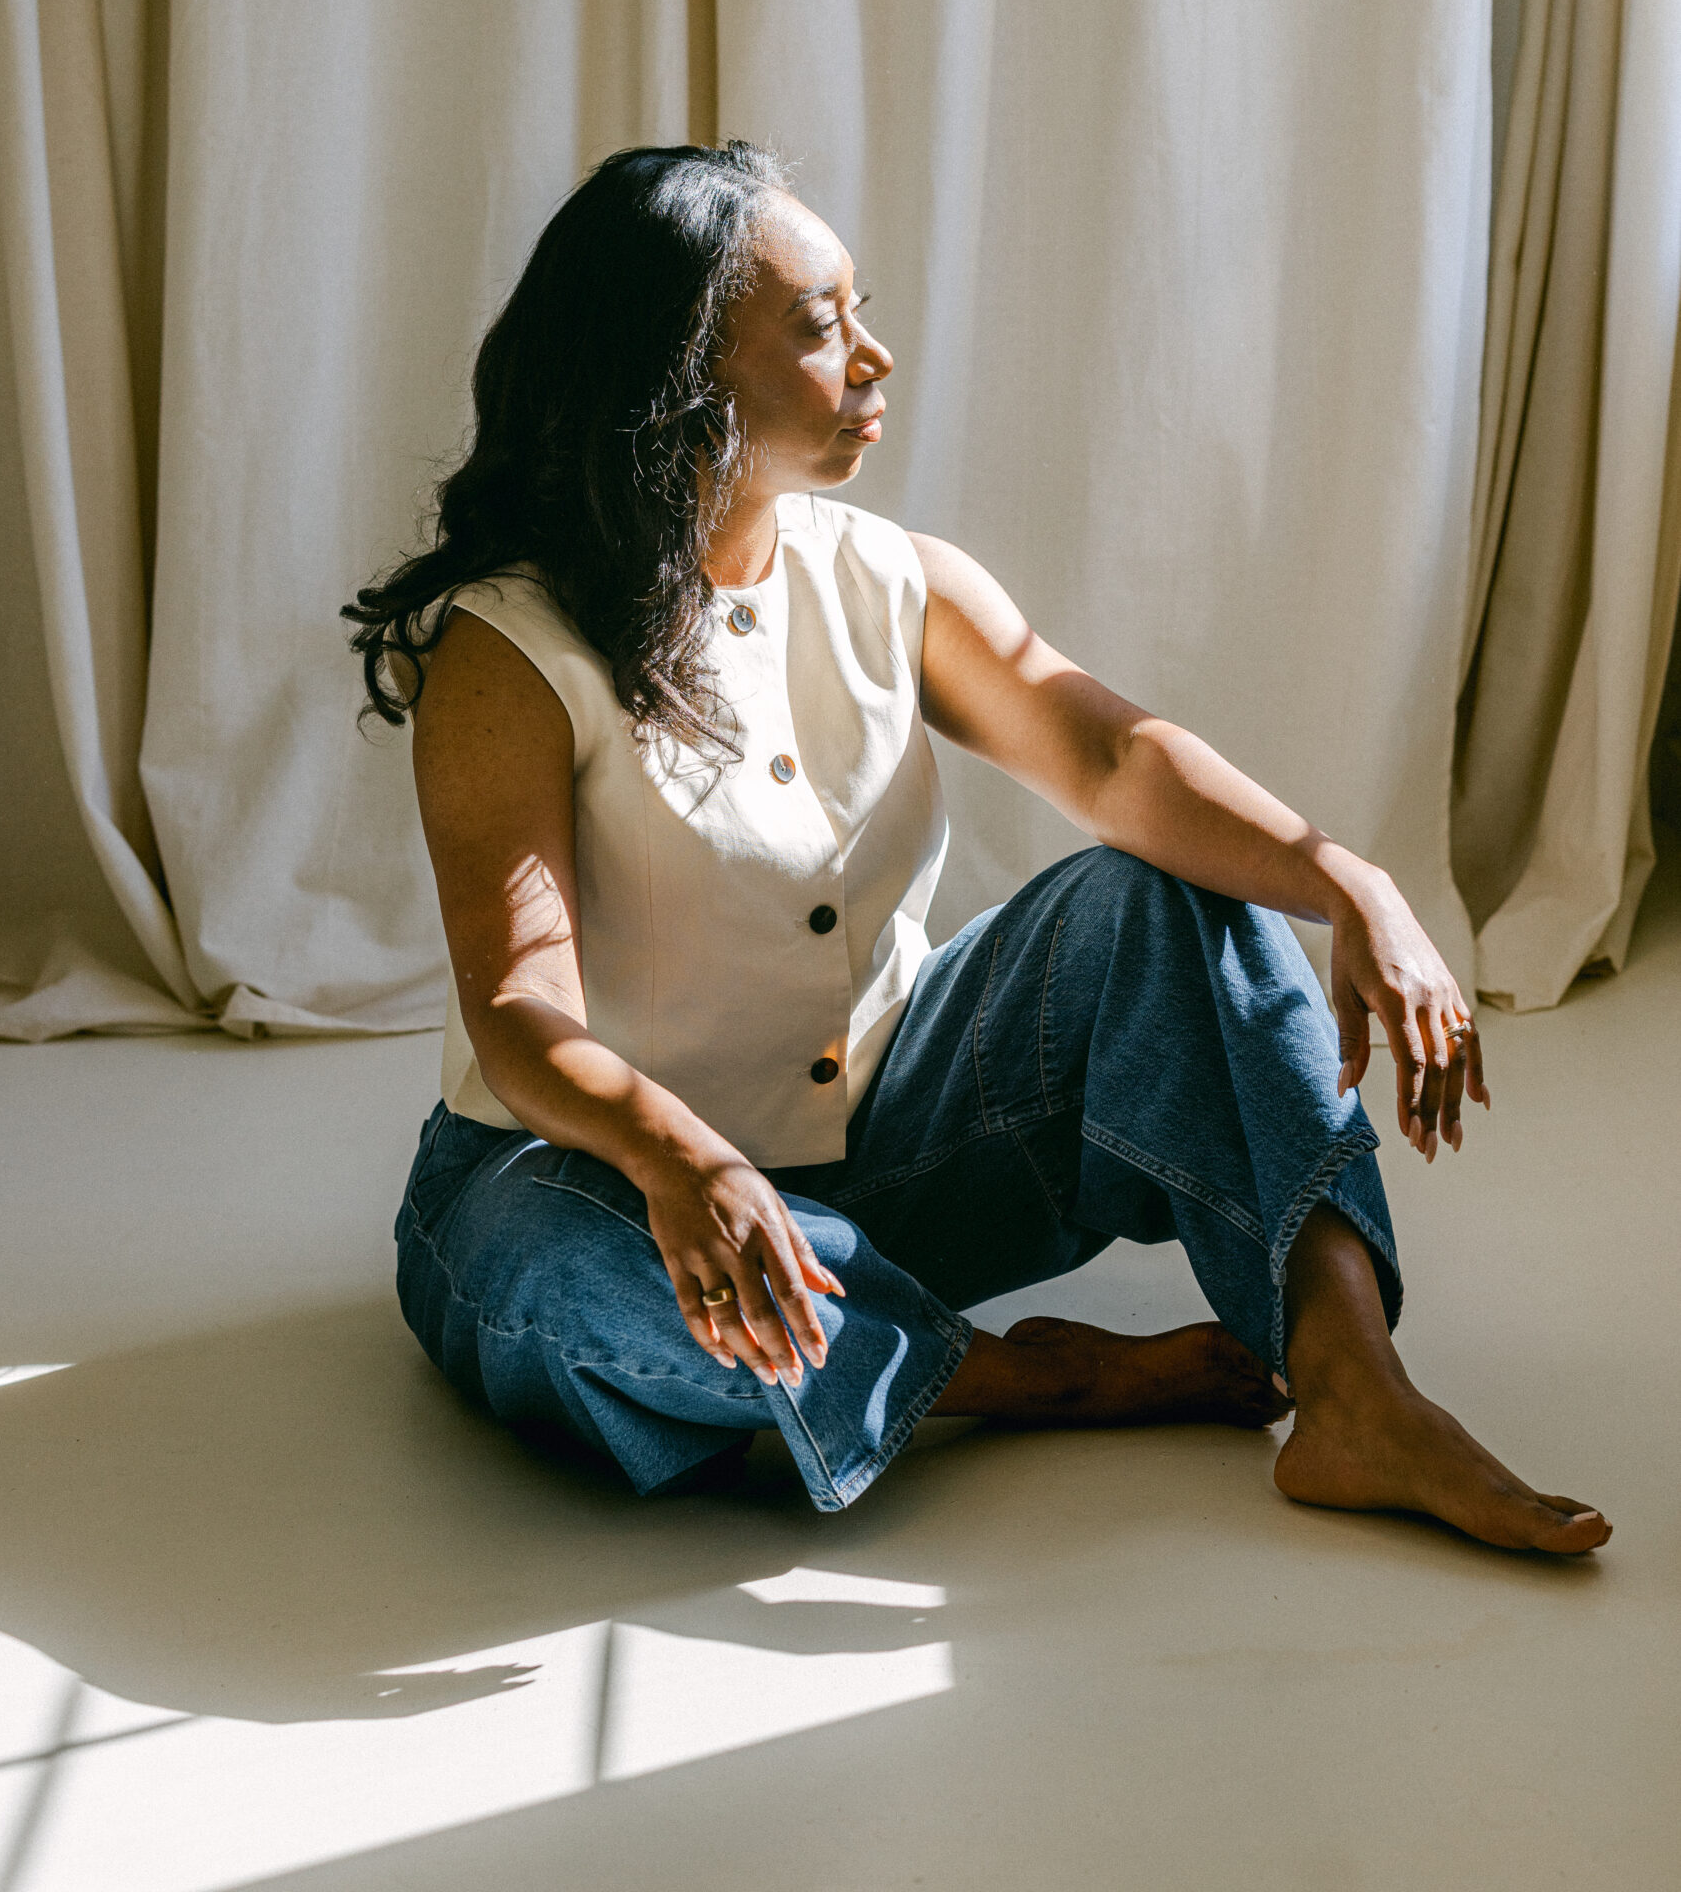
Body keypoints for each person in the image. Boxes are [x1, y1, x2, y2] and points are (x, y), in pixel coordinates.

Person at [345, 142, 1609, 1551]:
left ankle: (1354, 1389)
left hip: (886, 1155)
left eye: (858, 311)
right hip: (605, 1187)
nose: (874, 357)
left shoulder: (891, 580)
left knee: (1167, 900)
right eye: (820, 328)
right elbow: (518, 1010)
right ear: (679, 378)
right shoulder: (508, 648)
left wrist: (1350, 884)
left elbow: (1116, 760)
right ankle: (1015, 1376)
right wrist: (682, 1164)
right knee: (549, 1270)